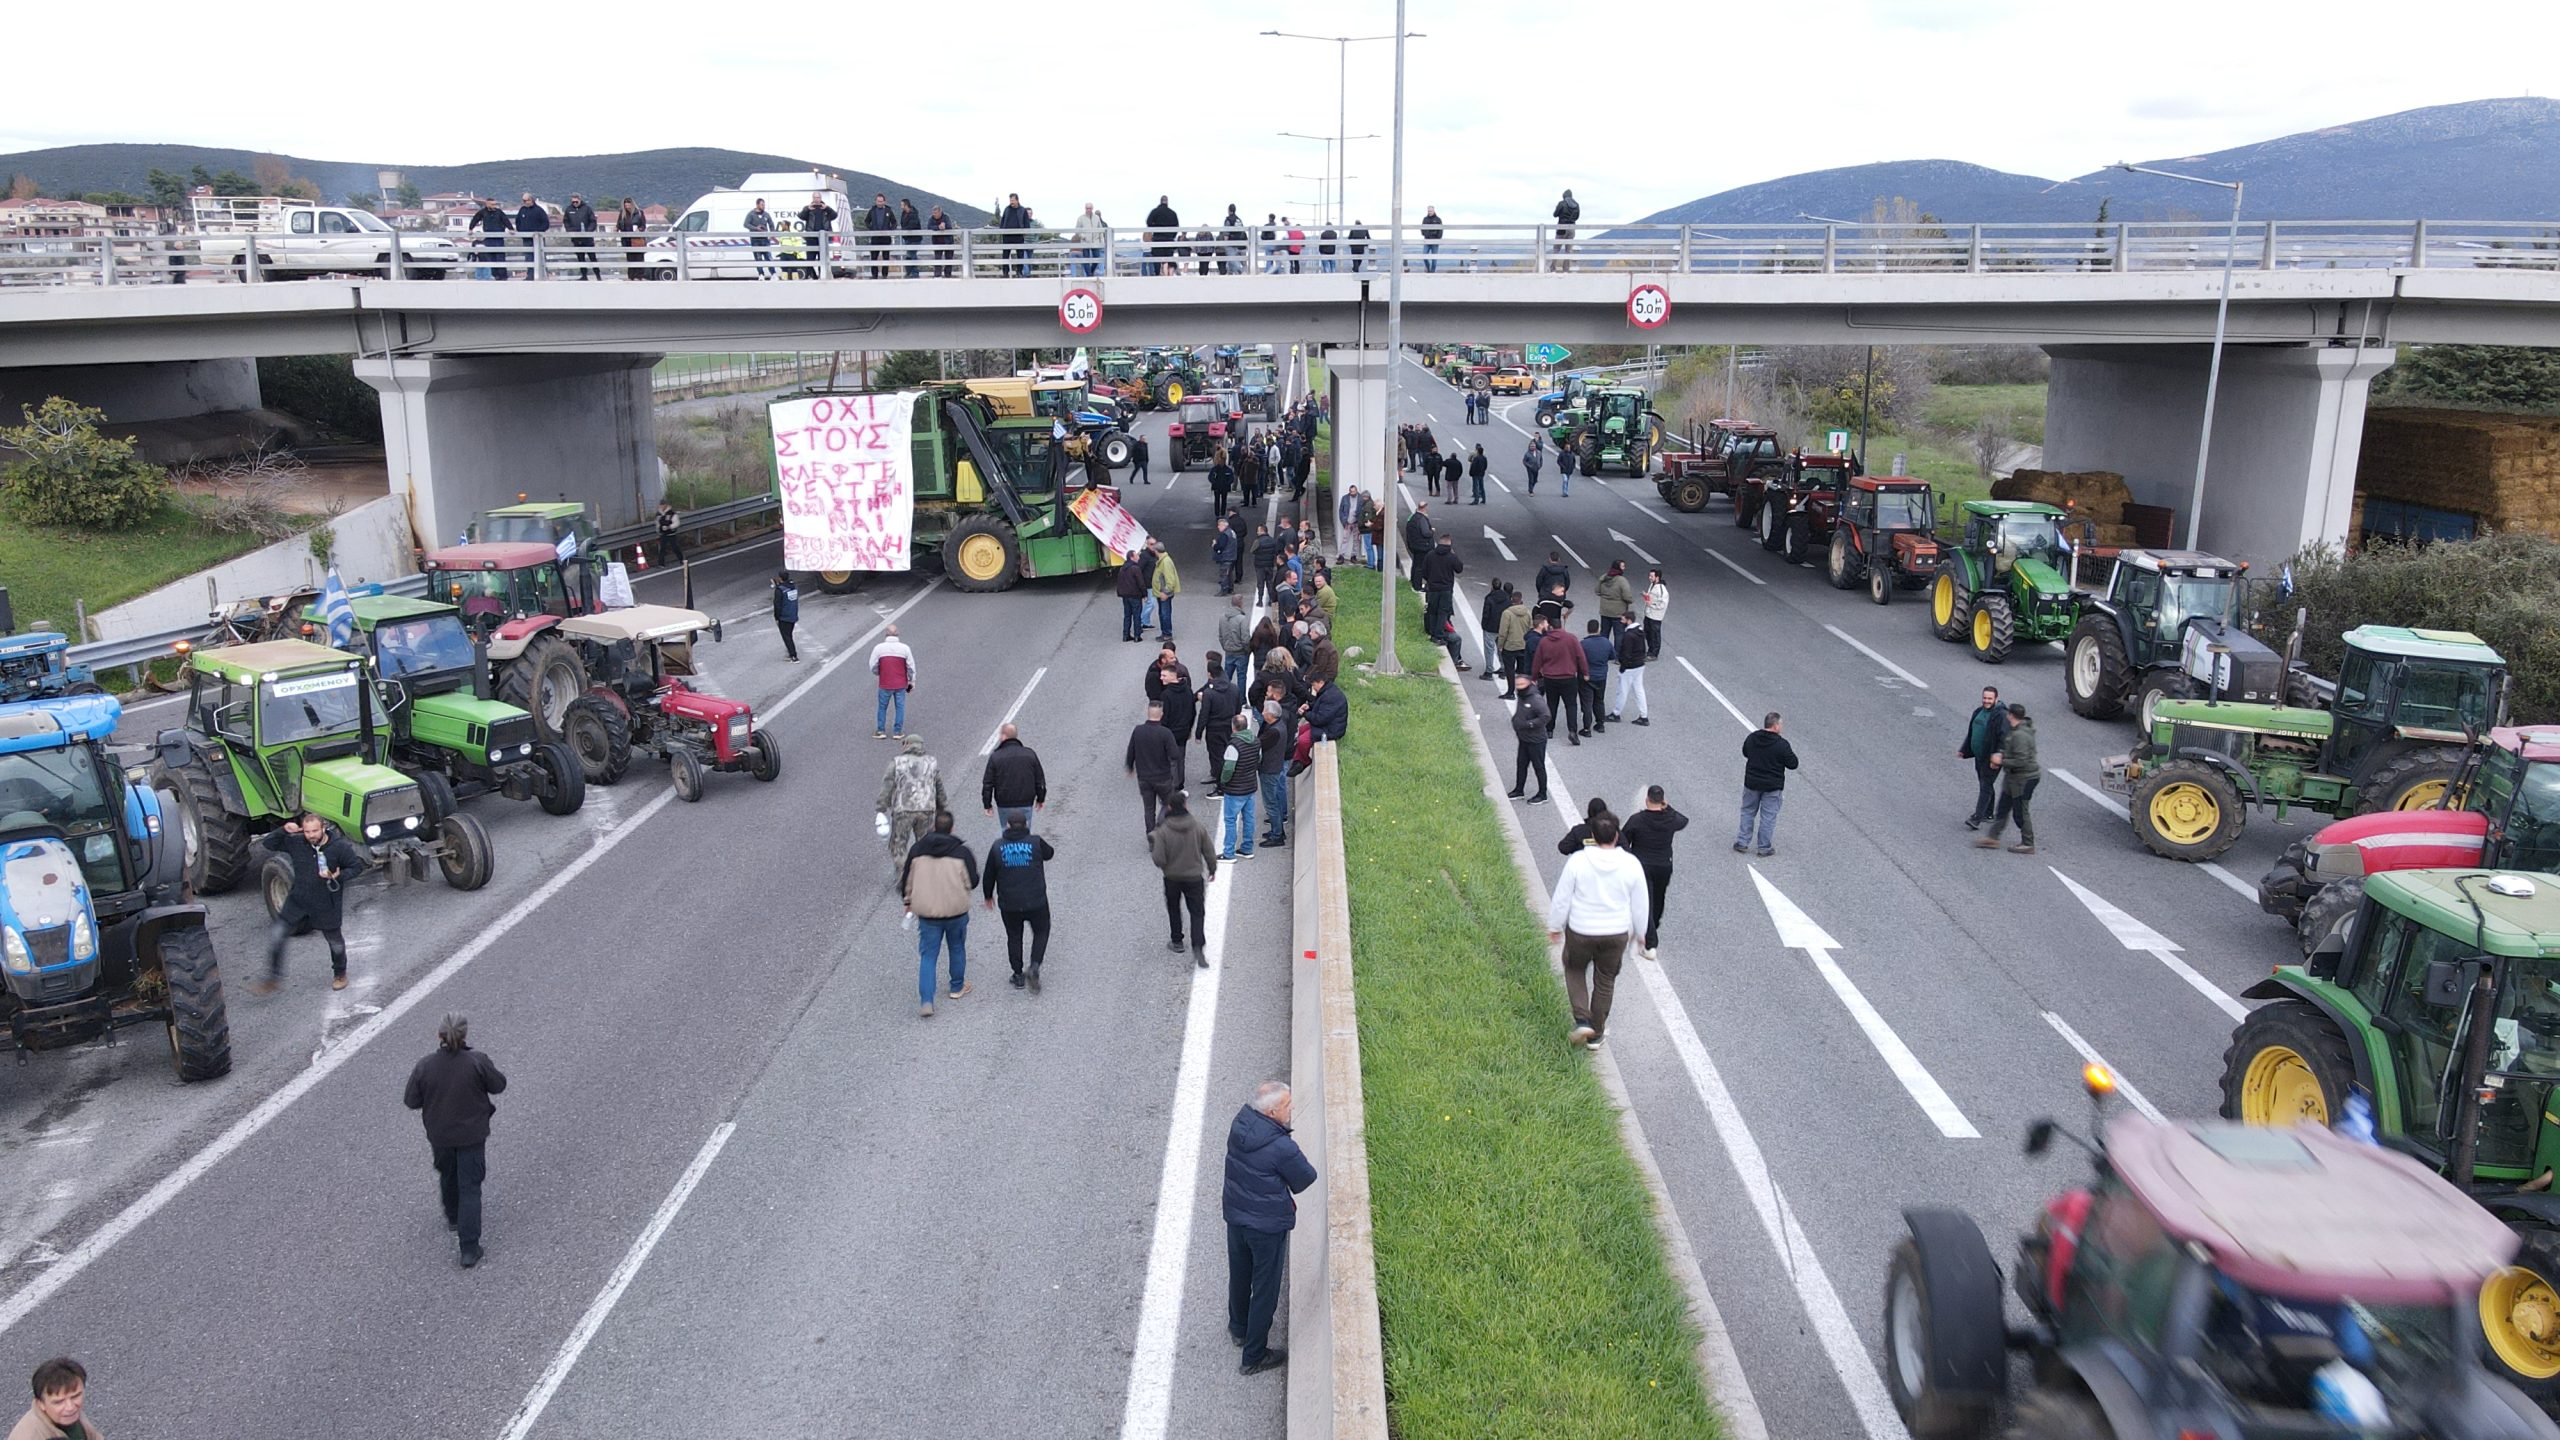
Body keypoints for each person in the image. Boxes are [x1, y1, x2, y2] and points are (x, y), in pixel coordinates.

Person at [1224, 1080, 1318, 1376]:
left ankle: (1239, 1327)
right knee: (1265, 1288)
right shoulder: (1281, 1147)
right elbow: (1305, 1178)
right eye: (1288, 1104)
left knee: (1240, 1273)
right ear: (1273, 1112)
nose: (1292, 1108)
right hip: (1266, 1227)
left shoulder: (1240, 1124)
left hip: (1236, 1216)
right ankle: (1254, 1356)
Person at [403, 1012, 507, 1268]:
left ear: (438, 1035)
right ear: (465, 1034)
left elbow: (411, 1100)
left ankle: (453, 1215)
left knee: (448, 1173)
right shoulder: (476, 1062)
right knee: (470, 1186)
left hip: (440, 1135)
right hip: (472, 1135)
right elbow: (499, 1085)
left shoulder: (425, 1066)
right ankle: (469, 1248)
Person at [1548, 814, 1645, 1049]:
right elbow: (1641, 903)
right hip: (1616, 932)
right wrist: (1640, 934)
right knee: (1605, 979)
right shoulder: (1631, 864)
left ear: (1592, 835)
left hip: (1581, 929)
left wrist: (1555, 926)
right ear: (1616, 836)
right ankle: (1597, 1033)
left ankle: (1582, 1019)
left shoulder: (1578, 861)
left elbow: (1562, 897)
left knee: (1574, 968)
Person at [248, 813, 367, 995]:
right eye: (307, 831)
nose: (311, 835)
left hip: (326, 902)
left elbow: (356, 867)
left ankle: (340, 974)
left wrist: (338, 876)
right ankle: (273, 978)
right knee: (277, 934)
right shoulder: (296, 843)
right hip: (299, 899)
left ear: (323, 828)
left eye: (315, 831)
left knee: (335, 942)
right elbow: (269, 844)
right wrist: (282, 830)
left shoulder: (339, 847)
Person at [903, 812, 978, 1017]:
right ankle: (957, 987)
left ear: (933, 827)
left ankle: (927, 1000)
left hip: (928, 913)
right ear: (952, 829)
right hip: (956, 911)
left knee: (928, 956)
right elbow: (973, 881)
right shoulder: (962, 852)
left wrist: (908, 901)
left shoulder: (917, 850)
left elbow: (907, 879)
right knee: (957, 947)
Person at [981, 816, 1055, 992]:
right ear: (1026, 824)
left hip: (1009, 902)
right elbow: (1049, 853)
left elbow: (989, 874)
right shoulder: (1035, 842)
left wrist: (988, 896)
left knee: (1014, 936)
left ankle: (1018, 974)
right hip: (1036, 900)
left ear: (1007, 826)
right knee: (1041, 931)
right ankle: (1035, 965)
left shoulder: (998, 847)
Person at [1149, 791, 1217, 968]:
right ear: (1185, 805)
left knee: (1173, 908)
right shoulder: (1197, 827)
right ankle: (1198, 947)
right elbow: (1209, 851)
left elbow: (1158, 859)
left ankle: (1177, 940)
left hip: (1172, 877)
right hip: (1194, 877)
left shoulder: (1163, 831)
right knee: (1197, 912)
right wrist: (1212, 869)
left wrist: (1166, 865)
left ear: (1169, 808)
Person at [1620, 786, 1688, 958]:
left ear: (1647, 800)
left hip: (1642, 866)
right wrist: (1668, 808)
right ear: (1662, 800)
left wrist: (1629, 857)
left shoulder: (1637, 820)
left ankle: (1650, 944)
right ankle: (1652, 929)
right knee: (1658, 899)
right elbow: (1683, 820)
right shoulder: (1670, 819)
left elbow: (1623, 839)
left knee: (1645, 902)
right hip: (1664, 866)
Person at [1975, 702, 2041, 855]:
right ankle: (1993, 837)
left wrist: (2001, 761)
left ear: (2010, 715)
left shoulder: (2020, 735)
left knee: (2020, 812)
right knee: (2003, 808)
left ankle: (2028, 843)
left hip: (2024, 779)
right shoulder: (2016, 730)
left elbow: (2022, 761)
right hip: (2013, 777)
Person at [877, 733, 946, 878]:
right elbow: (939, 786)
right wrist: (943, 808)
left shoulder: (897, 763)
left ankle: (903, 876)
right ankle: (924, 876)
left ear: (907, 745)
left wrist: (881, 808)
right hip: (927, 810)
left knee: (899, 845)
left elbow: (887, 785)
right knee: (925, 844)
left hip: (903, 811)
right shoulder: (931, 763)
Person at [1736, 713, 1797, 857]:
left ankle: (1742, 842)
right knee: (1768, 817)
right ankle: (1764, 847)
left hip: (1752, 783)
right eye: (1780, 724)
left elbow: (1745, 752)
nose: (1781, 727)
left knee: (1748, 811)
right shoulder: (1782, 745)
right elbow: (1793, 764)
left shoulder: (1752, 738)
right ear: (1775, 726)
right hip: (1772, 787)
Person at [1959, 686, 2014, 831]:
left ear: (1996, 699)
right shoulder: (1978, 712)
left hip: (1992, 758)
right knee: (1986, 784)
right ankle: (1989, 813)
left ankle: (1976, 818)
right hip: (1980, 755)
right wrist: (1964, 749)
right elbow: (1972, 732)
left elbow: (2005, 738)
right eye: (1984, 698)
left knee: (1985, 784)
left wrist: (1998, 755)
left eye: (1990, 698)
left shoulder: (2002, 716)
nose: (1986, 701)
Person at [1125, 701, 1182, 836]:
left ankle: (1151, 834)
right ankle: (1164, 828)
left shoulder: (1138, 731)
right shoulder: (1165, 733)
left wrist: (1130, 767)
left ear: (1148, 713)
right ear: (1161, 714)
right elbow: (1175, 755)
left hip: (1144, 778)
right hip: (1163, 777)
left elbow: (1131, 751)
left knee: (1149, 808)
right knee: (1168, 804)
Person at [1532, 613, 1589, 744]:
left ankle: (1549, 730)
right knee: (1571, 705)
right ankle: (1572, 731)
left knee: (1551, 704)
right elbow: (1581, 657)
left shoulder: (1544, 641)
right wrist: (1585, 672)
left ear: (1550, 627)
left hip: (1550, 678)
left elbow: (1537, 661)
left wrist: (1534, 677)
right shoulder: (1571, 639)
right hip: (1568, 677)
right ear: (1561, 626)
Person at [980, 723, 1047, 832]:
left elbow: (988, 783)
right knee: (1025, 832)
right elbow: (1039, 780)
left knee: (1006, 832)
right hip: (1026, 802)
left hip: (1004, 803)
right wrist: (1040, 798)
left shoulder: (996, 756)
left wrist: (987, 804)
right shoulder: (1029, 754)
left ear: (1003, 736)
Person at [1215, 712, 1262, 861]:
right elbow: (1259, 759)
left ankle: (1228, 853)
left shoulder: (1233, 746)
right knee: (1249, 819)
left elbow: (1228, 768)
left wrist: (1223, 781)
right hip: (1250, 786)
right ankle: (1247, 848)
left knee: (1230, 820)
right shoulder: (1256, 741)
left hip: (1235, 789)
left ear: (1233, 727)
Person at [12, 1357, 93, 1440]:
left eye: (75, 1396)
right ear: (41, 1404)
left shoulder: (68, 1416)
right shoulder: (30, 1436)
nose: (70, 1407)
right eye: (59, 1402)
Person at [1417, 534, 1465, 663]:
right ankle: (1439, 635)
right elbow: (1459, 568)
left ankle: (1433, 634)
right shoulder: (1451, 556)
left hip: (1433, 588)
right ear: (1449, 544)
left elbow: (1424, 571)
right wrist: (1454, 554)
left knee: (1432, 610)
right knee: (1442, 612)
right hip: (1446, 589)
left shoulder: (1430, 555)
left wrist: (1430, 581)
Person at [1154, 652, 1199, 789]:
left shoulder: (1166, 695)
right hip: (1184, 730)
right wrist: (1189, 728)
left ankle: (1173, 787)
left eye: (1164, 675)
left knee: (1171, 760)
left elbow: (1165, 717)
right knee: (1180, 758)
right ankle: (1180, 784)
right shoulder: (1188, 690)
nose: (1161, 678)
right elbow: (1193, 711)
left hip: (1170, 732)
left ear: (1172, 676)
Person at [1256, 696, 1295, 849]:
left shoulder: (1273, 731)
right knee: (1274, 802)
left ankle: (1277, 835)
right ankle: (1277, 831)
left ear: (1271, 715)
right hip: (1275, 766)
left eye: (1265, 711)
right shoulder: (1279, 725)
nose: (1262, 713)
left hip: (1269, 769)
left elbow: (1258, 743)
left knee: (1271, 803)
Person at [1506, 673, 1551, 804]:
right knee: (1521, 765)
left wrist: (1528, 724)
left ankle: (1542, 794)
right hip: (1523, 738)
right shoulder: (1522, 696)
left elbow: (1546, 716)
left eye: (1522, 684)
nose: (1519, 687)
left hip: (1536, 740)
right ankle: (1519, 790)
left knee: (1539, 767)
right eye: (1517, 684)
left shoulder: (1535, 699)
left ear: (1530, 684)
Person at [869, 623, 917, 737]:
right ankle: (898, 731)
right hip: (900, 684)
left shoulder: (879, 648)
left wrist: (880, 673)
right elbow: (911, 667)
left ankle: (880, 731)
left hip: (885, 683)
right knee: (900, 707)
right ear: (897, 633)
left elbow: (873, 666)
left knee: (882, 707)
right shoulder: (905, 648)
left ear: (886, 634)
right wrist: (912, 681)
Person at [1610, 610, 1651, 725]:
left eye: (1623, 619)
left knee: (1622, 690)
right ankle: (1644, 716)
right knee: (1639, 690)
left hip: (1630, 667)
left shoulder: (1628, 635)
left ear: (1628, 620)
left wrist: (1623, 666)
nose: (1621, 621)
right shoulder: (1639, 630)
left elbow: (1626, 653)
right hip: (1639, 664)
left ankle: (1616, 713)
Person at [1579, 619, 1614, 736]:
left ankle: (1586, 728)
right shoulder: (1606, 642)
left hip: (1586, 676)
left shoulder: (1583, 644)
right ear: (1599, 629)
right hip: (1601, 676)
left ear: (1588, 629)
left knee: (1587, 703)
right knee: (1599, 700)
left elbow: (1577, 659)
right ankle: (1600, 724)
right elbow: (1612, 656)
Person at [789, 192, 835, 281]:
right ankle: (811, 276)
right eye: (815, 197)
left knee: (822, 258)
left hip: (823, 238)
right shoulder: (808, 208)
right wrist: (807, 209)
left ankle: (822, 275)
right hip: (811, 238)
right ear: (812, 198)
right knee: (810, 258)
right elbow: (801, 216)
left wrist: (827, 208)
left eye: (818, 197)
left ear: (820, 198)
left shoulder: (826, 209)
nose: (817, 199)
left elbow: (834, 215)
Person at [1497, 584, 1534, 686]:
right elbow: (1531, 628)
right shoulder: (1528, 612)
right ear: (1521, 600)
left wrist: (1500, 645)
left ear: (1511, 600)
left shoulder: (1507, 613)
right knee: (1522, 671)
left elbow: (1503, 631)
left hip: (1510, 645)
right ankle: (1523, 689)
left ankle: (1511, 690)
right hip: (1523, 644)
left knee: (1510, 670)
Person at [1595, 561, 1637, 646]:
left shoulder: (1604, 577)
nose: (1624, 568)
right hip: (1618, 613)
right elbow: (1627, 596)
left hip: (1605, 611)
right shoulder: (1622, 580)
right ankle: (1617, 653)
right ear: (1618, 568)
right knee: (1619, 635)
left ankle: (1603, 651)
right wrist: (1630, 601)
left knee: (1604, 633)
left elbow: (1597, 591)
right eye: (1623, 566)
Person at [468, 197, 511, 280]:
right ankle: (495, 275)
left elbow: (505, 220)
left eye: (495, 204)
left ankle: (503, 276)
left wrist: (511, 229)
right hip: (488, 238)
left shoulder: (499, 212)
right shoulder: (483, 212)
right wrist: (470, 229)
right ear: (487, 204)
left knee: (500, 258)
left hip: (498, 238)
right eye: (492, 204)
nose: (494, 206)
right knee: (491, 258)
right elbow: (475, 219)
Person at [561, 193, 600, 280]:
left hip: (588, 239)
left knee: (592, 257)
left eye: (576, 201)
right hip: (576, 238)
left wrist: (588, 231)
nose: (575, 203)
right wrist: (570, 231)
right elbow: (566, 221)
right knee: (580, 257)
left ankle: (598, 275)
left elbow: (593, 221)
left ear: (580, 200)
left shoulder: (587, 209)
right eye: (573, 202)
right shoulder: (569, 210)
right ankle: (584, 275)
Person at [1150, 540, 1182, 640]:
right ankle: (1164, 633)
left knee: (1165, 614)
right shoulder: (1163, 560)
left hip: (1164, 594)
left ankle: (1167, 634)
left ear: (1157, 551)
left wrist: (1165, 592)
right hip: (1161, 593)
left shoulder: (1165, 562)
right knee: (1162, 613)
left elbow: (1170, 580)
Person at [1302, 672, 1347, 744]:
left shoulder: (1330, 697)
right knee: (1300, 730)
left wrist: (1305, 713)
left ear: (1321, 682)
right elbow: (1321, 705)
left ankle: (1303, 751)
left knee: (1302, 741)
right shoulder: (1327, 690)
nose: (1313, 688)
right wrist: (1309, 706)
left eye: (1314, 685)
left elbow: (1320, 719)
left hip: (1331, 730)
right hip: (1327, 725)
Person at [1117, 548, 1150, 642]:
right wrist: (1145, 594)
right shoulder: (1135, 568)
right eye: (1137, 555)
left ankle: (1126, 635)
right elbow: (1141, 583)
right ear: (1132, 557)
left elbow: (1120, 582)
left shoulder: (1122, 568)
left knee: (1127, 615)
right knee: (1136, 615)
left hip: (1125, 596)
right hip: (1135, 595)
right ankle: (1137, 635)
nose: (1138, 557)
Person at [514, 192, 550, 276]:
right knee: (528, 258)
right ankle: (530, 275)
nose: (525, 202)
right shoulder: (522, 210)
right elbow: (518, 222)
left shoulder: (539, 210)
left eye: (527, 200)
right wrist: (521, 232)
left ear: (532, 200)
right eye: (524, 201)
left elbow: (546, 223)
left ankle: (543, 275)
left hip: (538, 239)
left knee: (540, 257)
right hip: (526, 239)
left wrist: (538, 232)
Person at [998, 192, 1033, 277]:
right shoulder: (1007, 209)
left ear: (1017, 200)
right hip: (1007, 236)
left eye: (1013, 200)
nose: (1011, 202)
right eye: (1010, 200)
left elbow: (1026, 223)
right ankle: (1005, 272)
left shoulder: (1022, 210)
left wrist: (1025, 232)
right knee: (1005, 254)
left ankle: (1019, 272)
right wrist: (1002, 230)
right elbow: (1003, 221)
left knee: (1020, 254)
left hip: (1018, 236)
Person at [742, 196, 775, 279]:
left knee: (769, 257)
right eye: (762, 204)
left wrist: (771, 234)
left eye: (764, 205)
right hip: (755, 240)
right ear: (757, 205)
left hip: (765, 240)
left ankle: (773, 274)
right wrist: (756, 228)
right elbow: (746, 224)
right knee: (758, 258)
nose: (764, 206)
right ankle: (761, 274)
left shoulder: (766, 214)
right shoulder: (751, 214)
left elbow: (771, 225)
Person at [1145, 195, 1179, 276]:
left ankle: (1157, 274)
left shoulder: (1155, 211)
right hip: (1169, 239)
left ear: (1160, 201)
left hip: (1158, 238)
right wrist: (1172, 236)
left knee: (1157, 259)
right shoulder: (1172, 213)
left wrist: (1154, 228)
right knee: (1169, 259)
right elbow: (1176, 226)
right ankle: (1169, 275)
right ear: (1167, 202)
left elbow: (1148, 222)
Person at [770, 572, 799, 662]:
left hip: (784, 617)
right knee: (789, 634)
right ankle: (790, 651)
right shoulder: (793, 587)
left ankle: (793, 656)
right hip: (793, 614)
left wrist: (776, 617)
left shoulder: (780, 590)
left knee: (786, 637)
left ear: (780, 578)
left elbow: (777, 605)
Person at [615, 197, 646, 279]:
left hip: (637, 239)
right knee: (630, 258)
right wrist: (616, 228)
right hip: (626, 240)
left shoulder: (639, 213)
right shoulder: (622, 214)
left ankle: (639, 276)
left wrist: (639, 229)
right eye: (626, 205)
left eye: (629, 205)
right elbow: (618, 224)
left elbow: (643, 225)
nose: (627, 207)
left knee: (639, 258)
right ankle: (631, 276)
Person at [1642, 568, 1669, 660]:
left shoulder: (1661, 589)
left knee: (1655, 635)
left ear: (1657, 577)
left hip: (1655, 616)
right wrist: (1646, 596)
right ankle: (1650, 651)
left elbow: (1663, 604)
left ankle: (1654, 653)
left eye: (1651, 576)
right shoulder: (1652, 585)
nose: (1649, 577)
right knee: (1648, 633)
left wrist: (1651, 605)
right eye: (1649, 576)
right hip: (1648, 614)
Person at [1210, 512, 1239, 597]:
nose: (1218, 527)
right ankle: (1230, 588)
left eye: (1219, 525)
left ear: (1223, 525)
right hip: (1232, 556)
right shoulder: (1232, 532)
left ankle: (1224, 590)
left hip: (1226, 557)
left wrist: (1215, 545)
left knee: (1224, 574)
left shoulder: (1225, 535)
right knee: (1229, 574)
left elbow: (1220, 546)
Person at [1552, 188, 1580, 270]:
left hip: (1561, 228)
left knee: (1556, 249)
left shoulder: (1561, 203)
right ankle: (1566, 269)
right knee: (1568, 250)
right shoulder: (1576, 205)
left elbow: (1555, 214)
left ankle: (1553, 268)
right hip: (1572, 229)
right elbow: (1577, 217)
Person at [897, 197, 922, 278]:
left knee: (912, 255)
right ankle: (910, 272)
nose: (901, 206)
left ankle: (914, 273)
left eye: (902, 205)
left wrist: (904, 229)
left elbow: (912, 225)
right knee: (909, 255)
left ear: (906, 205)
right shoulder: (904, 213)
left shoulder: (914, 214)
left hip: (915, 239)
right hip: (907, 238)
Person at [928, 204, 955, 278]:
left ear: (940, 212)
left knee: (949, 258)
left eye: (936, 213)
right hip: (937, 242)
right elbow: (929, 227)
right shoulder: (931, 218)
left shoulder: (946, 217)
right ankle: (937, 275)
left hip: (948, 241)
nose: (934, 214)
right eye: (933, 213)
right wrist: (938, 227)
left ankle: (948, 275)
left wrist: (944, 226)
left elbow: (949, 227)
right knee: (937, 258)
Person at [655, 498, 683, 567]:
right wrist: (658, 530)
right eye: (661, 505)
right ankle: (661, 564)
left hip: (671, 534)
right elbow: (657, 523)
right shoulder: (658, 514)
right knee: (662, 549)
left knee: (675, 548)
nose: (662, 506)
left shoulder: (672, 513)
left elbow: (677, 523)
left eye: (663, 505)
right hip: (663, 534)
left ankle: (682, 560)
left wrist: (669, 527)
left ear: (666, 505)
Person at [1420, 204, 1444, 273]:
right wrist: (1426, 234)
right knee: (1424, 255)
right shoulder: (1425, 219)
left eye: (1430, 211)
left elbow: (1440, 230)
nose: (1429, 212)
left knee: (1434, 258)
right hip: (1427, 241)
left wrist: (1437, 238)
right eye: (1428, 211)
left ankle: (1432, 272)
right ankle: (1428, 268)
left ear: (1433, 211)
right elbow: (1422, 229)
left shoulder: (1438, 219)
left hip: (1435, 241)